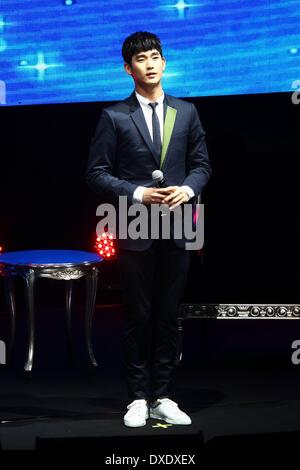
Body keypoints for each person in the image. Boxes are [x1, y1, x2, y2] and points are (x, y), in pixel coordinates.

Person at [87, 31, 211, 427]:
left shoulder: (186, 111)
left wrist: (189, 189)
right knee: (138, 315)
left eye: (155, 56)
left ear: (164, 62)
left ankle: (164, 395)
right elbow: (96, 174)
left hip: (178, 223)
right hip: (134, 222)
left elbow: (202, 165)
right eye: (141, 59)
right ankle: (138, 397)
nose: (150, 64)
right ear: (128, 68)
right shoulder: (115, 116)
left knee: (169, 315)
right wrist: (138, 193)